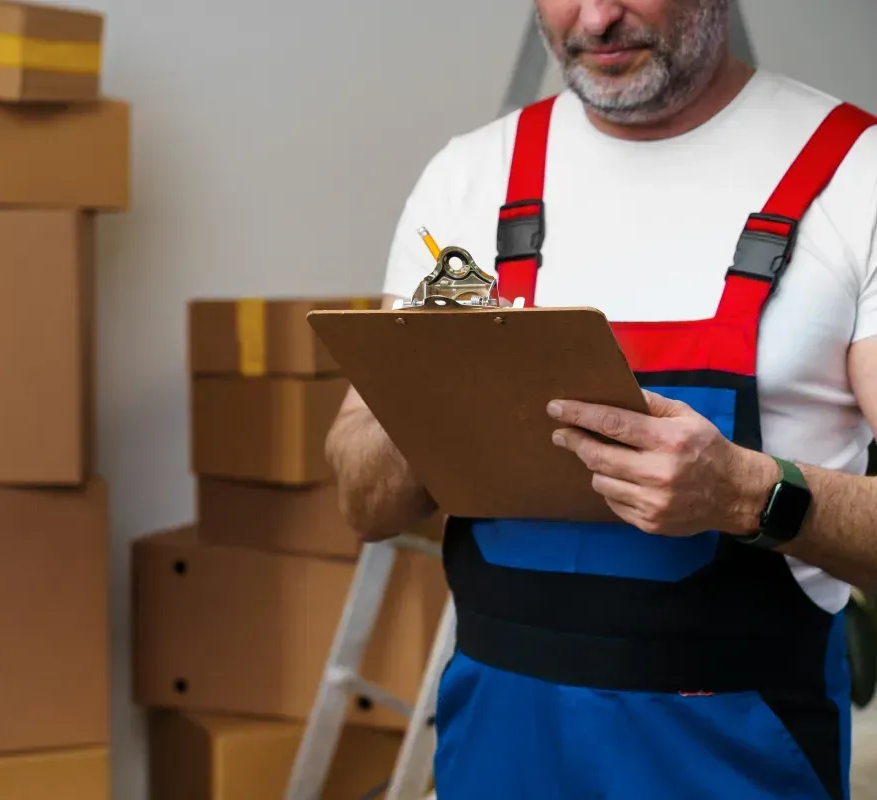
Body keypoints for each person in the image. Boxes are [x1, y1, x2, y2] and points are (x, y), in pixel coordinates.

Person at [324, 0, 877, 797]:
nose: (597, 16)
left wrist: (749, 494)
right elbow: (364, 504)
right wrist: (430, 378)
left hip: (736, 761)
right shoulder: (470, 181)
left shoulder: (853, 175)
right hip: (495, 755)